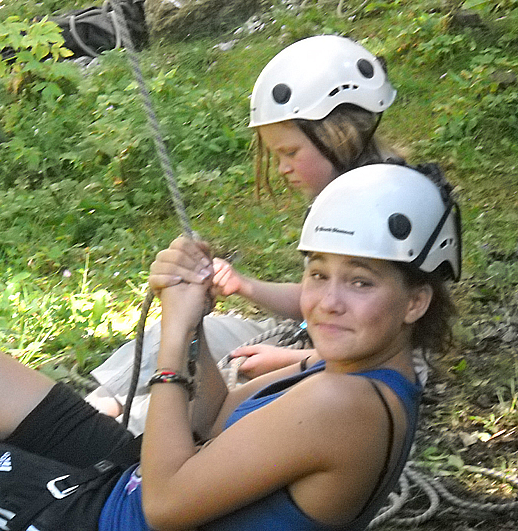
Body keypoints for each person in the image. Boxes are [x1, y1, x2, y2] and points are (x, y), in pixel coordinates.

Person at [0, 163, 460, 531]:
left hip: (120, 514)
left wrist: (173, 338)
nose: (327, 301)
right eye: (318, 273)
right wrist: (196, 321)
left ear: (415, 301)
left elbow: (166, 504)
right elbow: (211, 417)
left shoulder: (344, 405)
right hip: (135, 482)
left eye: (360, 282)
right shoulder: (348, 372)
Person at [87, 34, 406, 426]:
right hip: (309, 338)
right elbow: (316, 299)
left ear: (339, 136)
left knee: (201, 393)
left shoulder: (391, 211)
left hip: (341, 365)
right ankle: (94, 411)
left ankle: (118, 428)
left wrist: (296, 360)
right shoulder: (338, 196)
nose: (282, 168)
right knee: (170, 335)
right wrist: (244, 286)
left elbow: (394, 340)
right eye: (276, 155)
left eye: (290, 153)